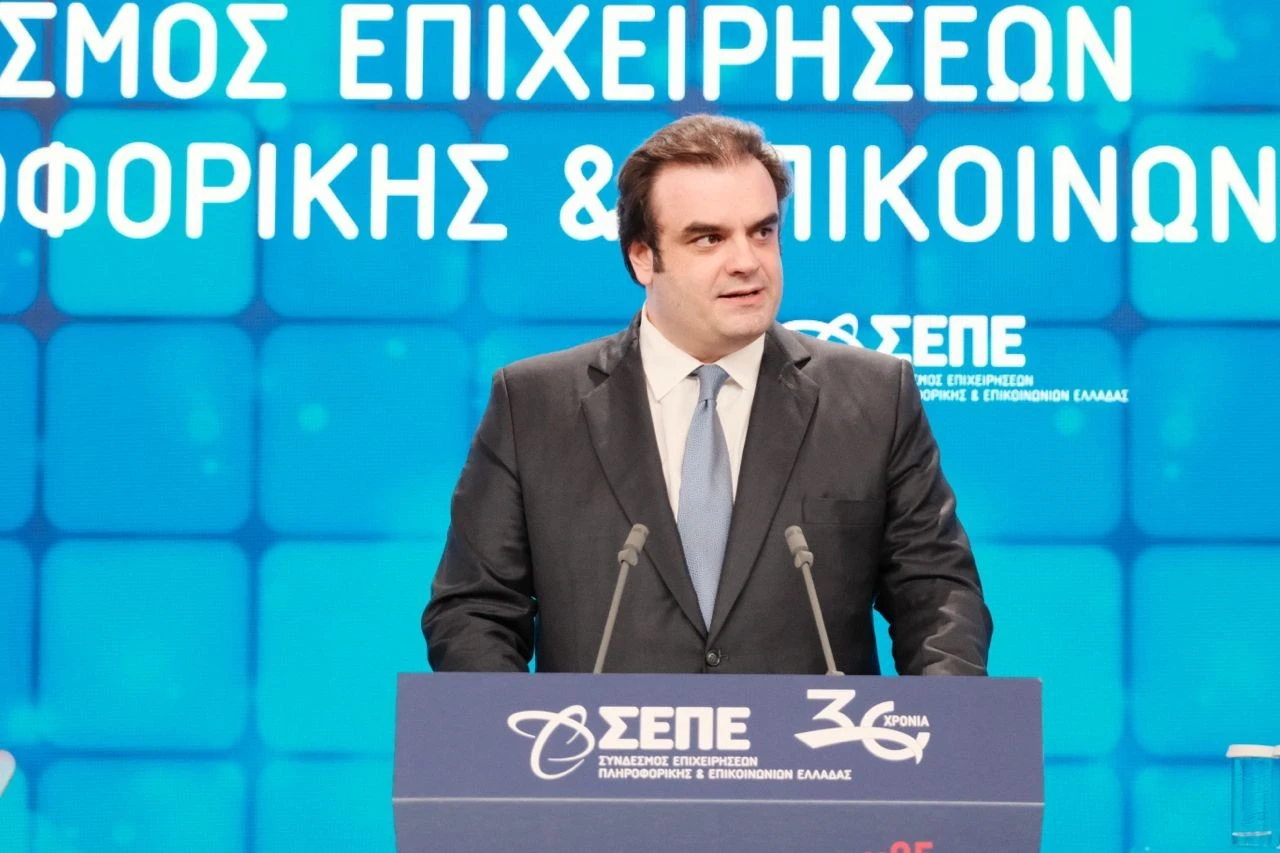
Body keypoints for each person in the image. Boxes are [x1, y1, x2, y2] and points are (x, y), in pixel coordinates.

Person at [423, 114, 992, 675]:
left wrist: (941, 722)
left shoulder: (875, 398)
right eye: (709, 238)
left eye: (762, 232)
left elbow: (938, 595)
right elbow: (474, 611)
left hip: (817, 739)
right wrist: (519, 731)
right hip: (595, 738)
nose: (746, 262)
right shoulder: (533, 406)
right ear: (642, 256)